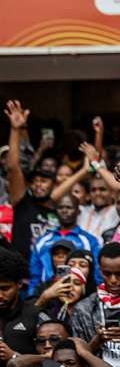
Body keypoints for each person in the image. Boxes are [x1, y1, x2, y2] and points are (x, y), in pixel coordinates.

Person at [5, 102, 57, 257]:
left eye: (44, 181)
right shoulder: (23, 202)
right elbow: (13, 168)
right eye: (34, 181)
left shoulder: (61, 209)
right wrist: (15, 130)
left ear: (54, 185)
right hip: (22, 269)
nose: (38, 185)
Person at [28, 195, 101, 293]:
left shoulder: (89, 240)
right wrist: (32, 297)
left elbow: (96, 273)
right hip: (46, 293)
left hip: (80, 294)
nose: (64, 211)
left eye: (69, 207)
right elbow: (34, 276)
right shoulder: (42, 240)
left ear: (78, 211)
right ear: (55, 210)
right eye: (60, 207)